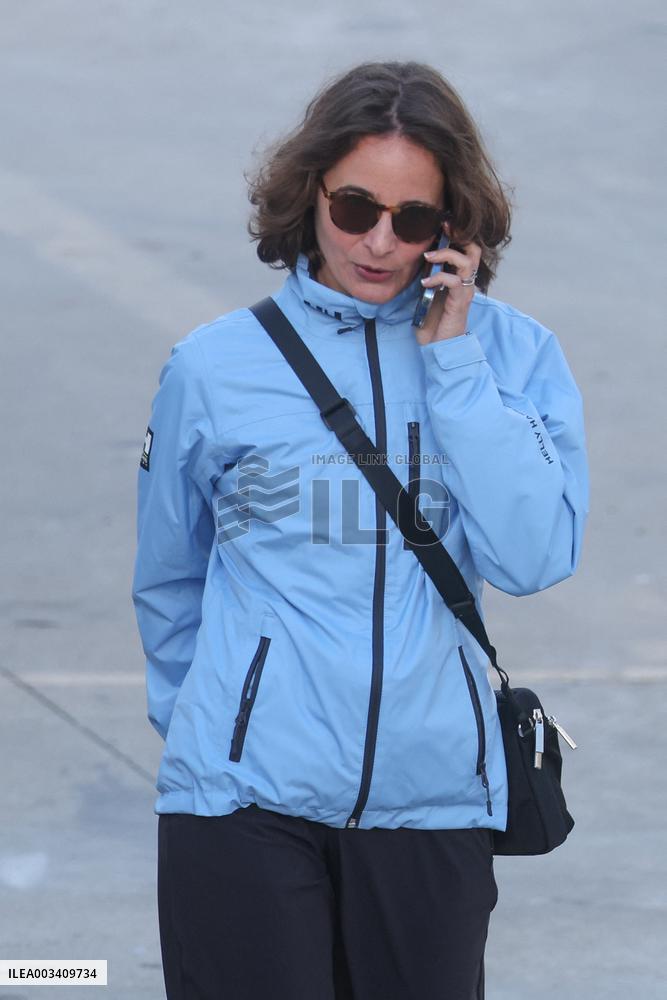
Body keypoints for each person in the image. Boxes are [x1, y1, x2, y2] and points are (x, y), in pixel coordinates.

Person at [132, 61, 589, 1000]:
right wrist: (210, 733)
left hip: (434, 804)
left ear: (452, 225)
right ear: (309, 196)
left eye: (412, 219)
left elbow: (534, 556)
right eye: (354, 208)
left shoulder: (511, 357)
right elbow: (170, 576)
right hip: (242, 801)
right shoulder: (216, 367)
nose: (378, 242)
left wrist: (454, 368)